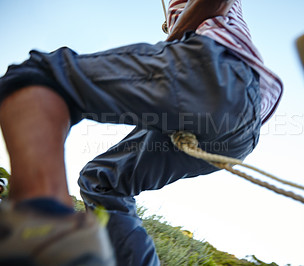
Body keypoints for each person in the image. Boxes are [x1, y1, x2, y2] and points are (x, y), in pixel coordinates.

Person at [0, 0, 282, 265]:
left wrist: (174, 37)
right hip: (240, 130)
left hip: (220, 73)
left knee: (38, 77)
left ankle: (43, 225)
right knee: (103, 182)